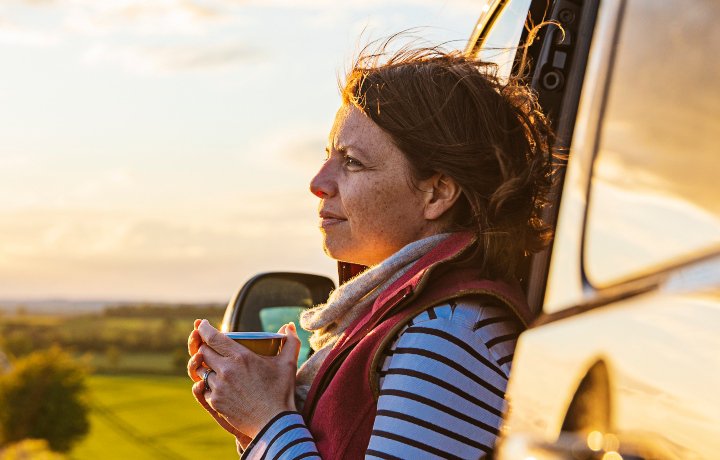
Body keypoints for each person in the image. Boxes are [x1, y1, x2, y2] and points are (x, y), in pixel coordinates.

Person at [187, 40, 554, 459]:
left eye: (353, 162)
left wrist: (266, 420)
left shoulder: (445, 332)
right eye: (329, 156)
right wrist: (257, 422)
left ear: (437, 193)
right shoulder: (419, 318)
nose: (318, 181)